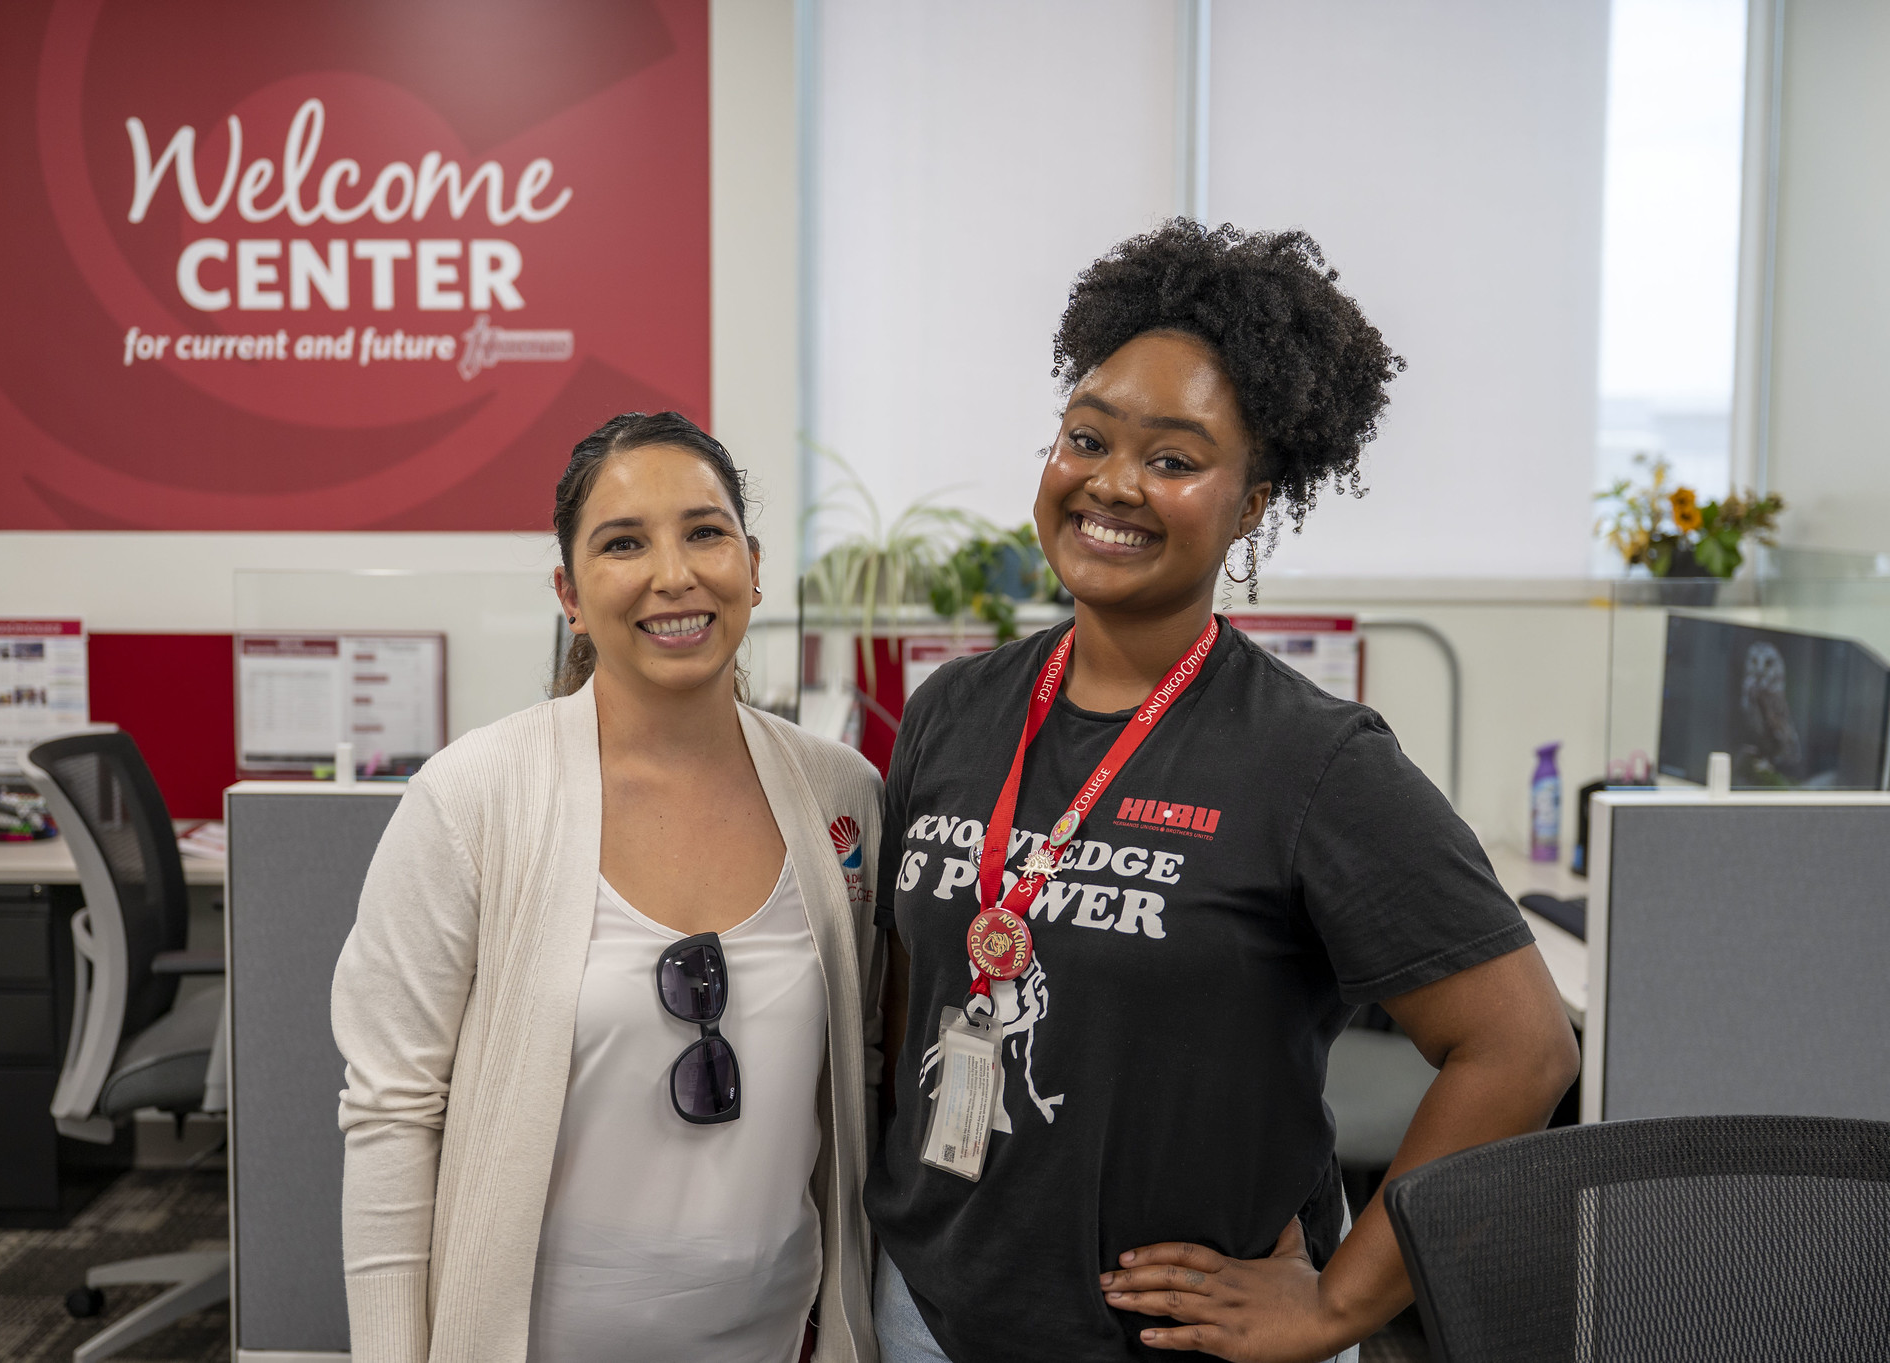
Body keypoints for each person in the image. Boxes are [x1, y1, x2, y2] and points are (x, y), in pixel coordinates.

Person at [866, 222, 1580, 1363]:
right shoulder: (954, 710)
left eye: (1173, 458)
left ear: (1250, 505)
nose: (1111, 483)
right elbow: (912, 993)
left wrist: (1341, 1303)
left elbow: (1522, 1047)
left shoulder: (1314, 761)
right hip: (929, 1314)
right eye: (1085, 437)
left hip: (1175, 1344)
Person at [332, 411, 886, 1363]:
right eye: (624, 542)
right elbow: (391, 1112)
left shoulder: (842, 796)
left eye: (705, 532)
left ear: (753, 567)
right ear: (571, 593)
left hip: (771, 1338)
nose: (675, 574)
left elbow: (862, 1064)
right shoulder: (473, 796)